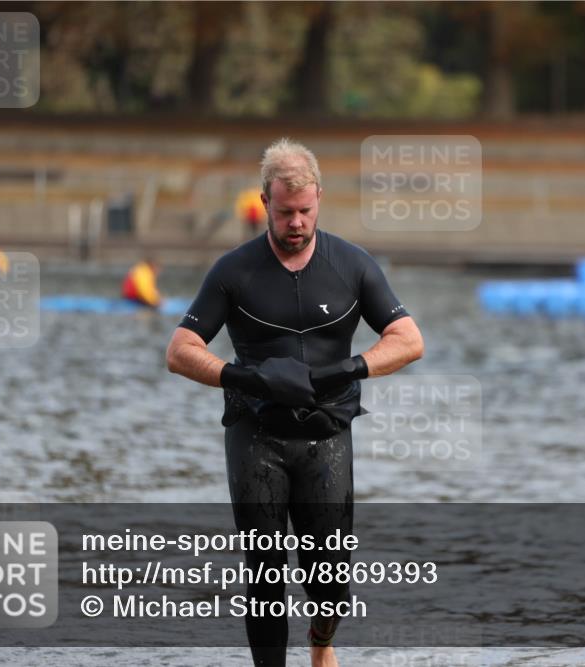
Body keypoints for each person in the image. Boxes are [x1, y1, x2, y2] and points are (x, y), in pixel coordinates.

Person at [166, 138, 423, 667]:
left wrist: (351, 367)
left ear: (319, 200)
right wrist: (243, 377)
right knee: (264, 572)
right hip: (256, 435)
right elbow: (180, 351)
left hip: (326, 436)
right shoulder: (234, 271)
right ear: (266, 203)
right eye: (285, 212)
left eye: (305, 211)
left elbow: (409, 339)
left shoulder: (351, 265)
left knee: (331, 579)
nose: (297, 223)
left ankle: (321, 643)